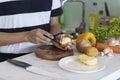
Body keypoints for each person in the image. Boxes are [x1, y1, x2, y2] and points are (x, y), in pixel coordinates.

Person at [0, 0, 74, 62]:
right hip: (7, 61)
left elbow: (54, 24)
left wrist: (56, 37)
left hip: (43, 59)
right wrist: (26, 36)